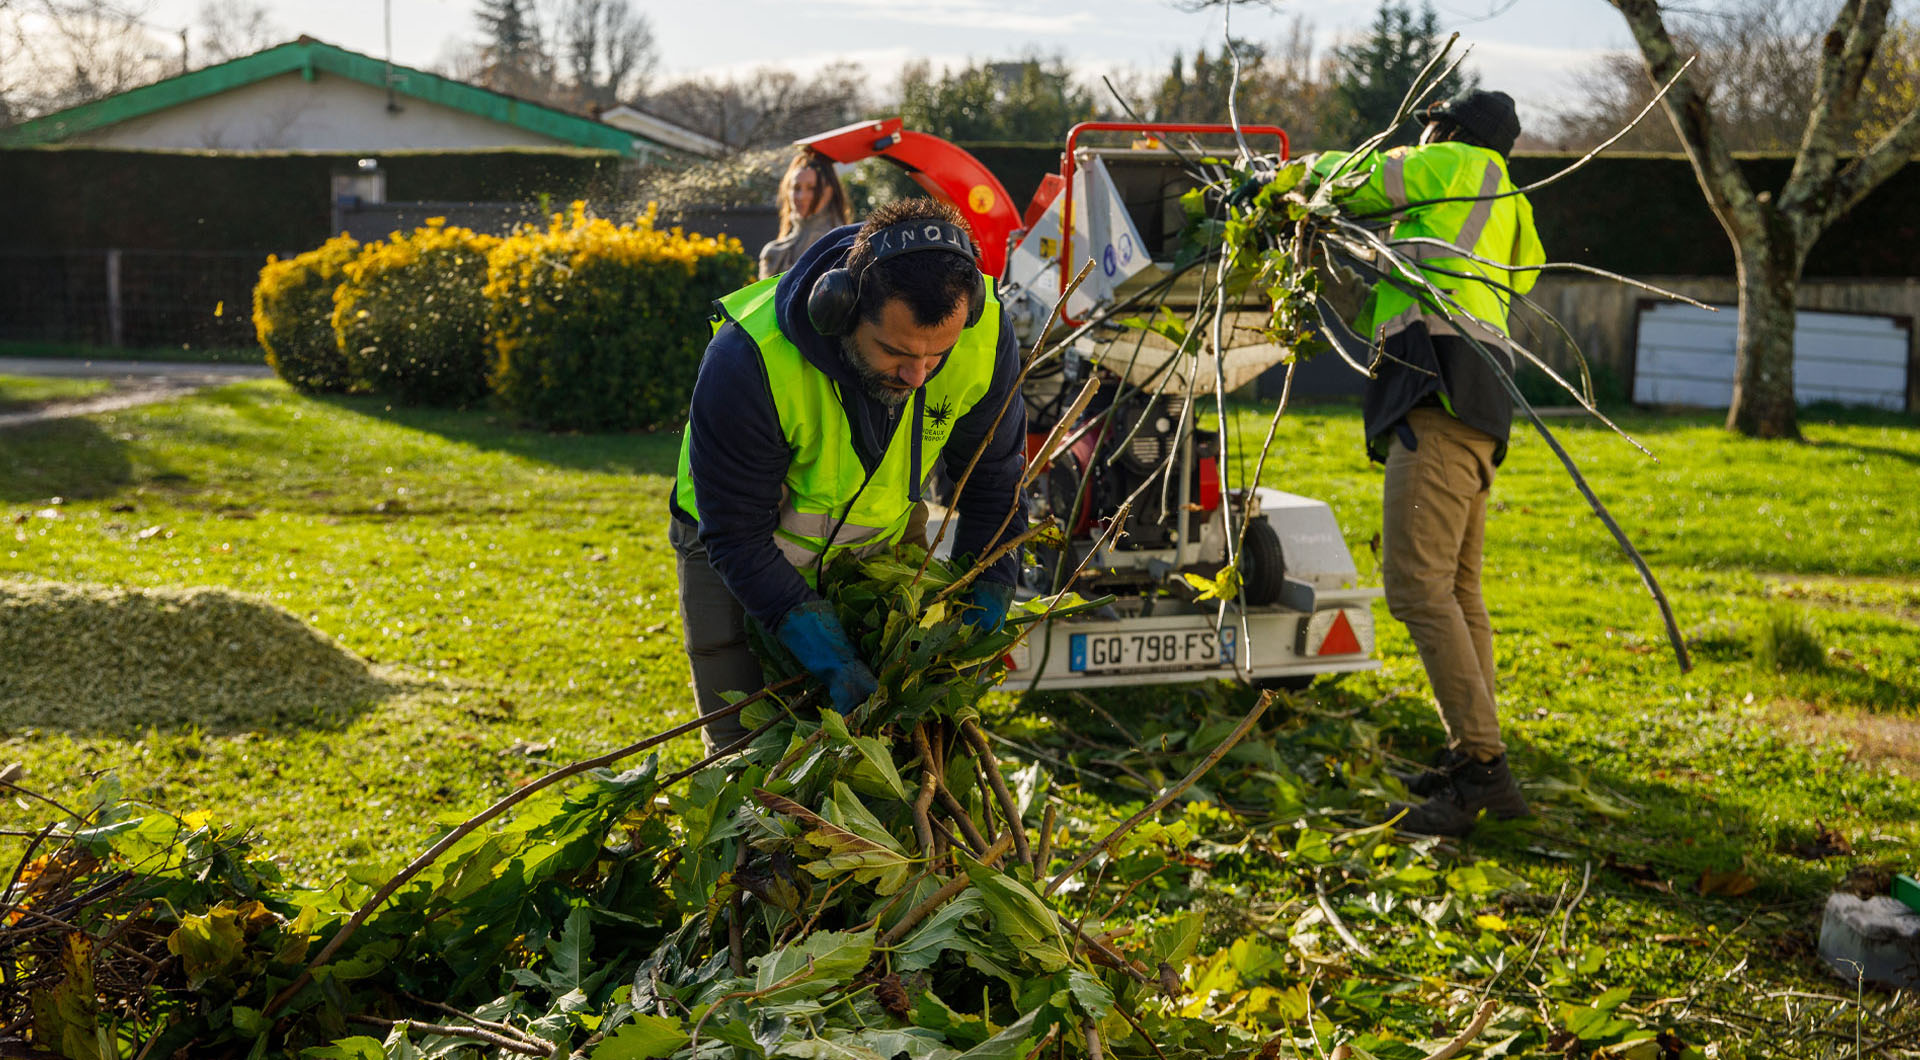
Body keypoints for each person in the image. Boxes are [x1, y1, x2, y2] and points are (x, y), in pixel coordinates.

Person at [670, 197, 1027, 750]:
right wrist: (825, 652)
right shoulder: (747, 358)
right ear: (840, 311)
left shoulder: (986, 338)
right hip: (733, 552)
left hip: (881, 546)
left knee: (904, 760)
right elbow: (736, 535)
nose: (916, 375)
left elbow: (994, 478)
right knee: (748, 764)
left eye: (938, 357)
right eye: (894, 352)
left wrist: (991, 579)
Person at [1302, 89, 1546, 837]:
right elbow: (1517, 278)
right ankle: (1474, 753)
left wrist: (1292, 177)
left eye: (1430, 127)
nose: (1423, 136)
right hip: (1479, 401)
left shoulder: (1450, 165)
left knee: (1416, 590)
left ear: (1450, 130)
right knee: (1460, 591)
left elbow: (1356, 178)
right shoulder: (1509, 205)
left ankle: (1481, 767)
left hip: (1437, 398)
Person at [759, 149, 852, 280]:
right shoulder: (775, 252)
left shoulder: (842, 246)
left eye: (811, 188)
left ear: (829, 191)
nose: (801, 196)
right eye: (796, 188)